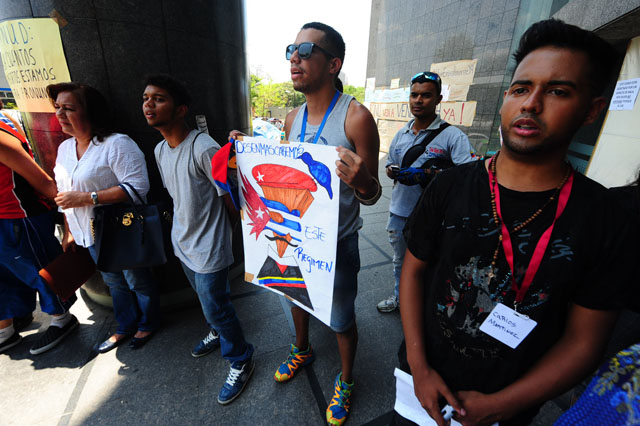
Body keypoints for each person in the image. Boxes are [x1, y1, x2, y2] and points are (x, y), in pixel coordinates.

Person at [395, 19, 634, 426]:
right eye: (521, 89)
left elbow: (584, 340)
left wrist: (504, 403)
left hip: (512, 401)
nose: (531, 104)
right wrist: (420, 368)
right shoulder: (450, 186)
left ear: (592, 110)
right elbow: (414, 272)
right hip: (420, 380)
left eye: (558, 91)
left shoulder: (606, 216)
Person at [232, 21, 381, 426]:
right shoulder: (293, 117)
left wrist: (363, 181)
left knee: (340, 318)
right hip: (293, 235)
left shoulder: (356, 118)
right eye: (290, 51)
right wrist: (247, 151)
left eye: (304, 50)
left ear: (333, 64)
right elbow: (284, 173)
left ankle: (347, 380)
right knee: (292, 296)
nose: (293, 58)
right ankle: (302, 348)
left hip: (337, 244)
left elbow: (374, 193)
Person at [142, 74, 254, 405]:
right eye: (146, 98)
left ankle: (241, 357)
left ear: (181, 109)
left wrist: (223, 236)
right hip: (183, 242)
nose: (149, 104)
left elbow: (231, 197)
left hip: (209, 247)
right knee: (208, 305)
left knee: (217, 307)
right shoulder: (160, 149)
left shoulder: (204, 148)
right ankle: (219, 333)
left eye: (159, 99)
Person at [48, 82, 160, 353]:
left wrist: (88, 198)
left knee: (136, 280)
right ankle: (125, 326)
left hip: (119, 229)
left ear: (89, 112)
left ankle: (149, 321)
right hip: (87, 232)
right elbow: (65, 193)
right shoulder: (65, 149)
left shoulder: (116, 144)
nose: (60, 115)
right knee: (112, 281)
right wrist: (69, 230)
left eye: (68, 108)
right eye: (57, 108)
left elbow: (137, 187)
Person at [377, 71, 476, 313]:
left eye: (426, 96)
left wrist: (428, 175)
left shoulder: (452, 136)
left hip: (436, 217)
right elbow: (390, 162)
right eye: (414, 95)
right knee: (400, 261)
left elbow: (469, 175)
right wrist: (393, 171)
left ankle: (429, 307)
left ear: (438, 99)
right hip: (400, 211)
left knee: (432, 262)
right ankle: (401, 299)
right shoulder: (401, 133)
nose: (418, 100)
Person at [0, 113, 78, 355]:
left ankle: (61, 317)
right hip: (6, 217)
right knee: (4, 277)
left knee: (37, 270)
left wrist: (69, 222)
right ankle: (5, 330)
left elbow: (43, 182)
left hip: (20, 216)